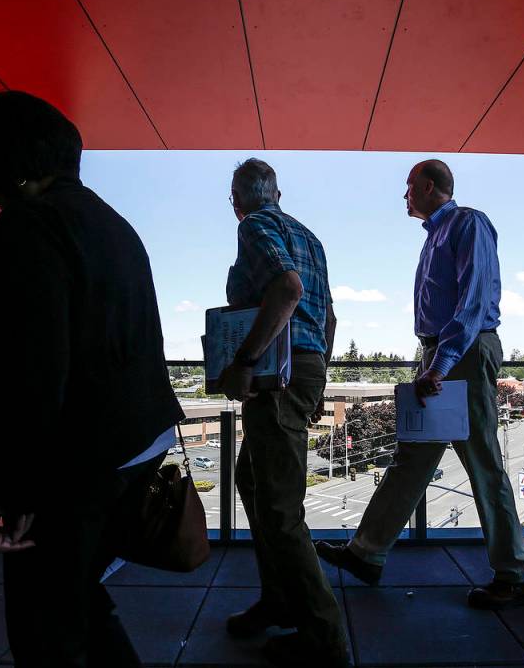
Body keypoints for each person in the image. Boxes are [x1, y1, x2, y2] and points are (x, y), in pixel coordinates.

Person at [0, 90, 184, 666]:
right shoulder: (115, 225)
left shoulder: (31, 223)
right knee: (79, 599)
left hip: (76, 460)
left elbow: (26, 370)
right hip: (135, 442)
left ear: (13, 166)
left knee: (46, 629)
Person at [316, 159, 524, 609]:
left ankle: (516, 574)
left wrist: (441, 363)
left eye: (409, 187)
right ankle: (366, 553)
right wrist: (433, 361)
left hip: (463, 352)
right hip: (441, 354)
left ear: (430, 186)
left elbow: (473, 301)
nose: (405, 196)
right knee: (412, 459)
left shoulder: (467, 222)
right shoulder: (435, 236)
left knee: (482, 462)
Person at [217, 159, 349, 667]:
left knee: (280, 508)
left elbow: (286, 288)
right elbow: (329, 315)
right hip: (305, 367)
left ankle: (323, 632)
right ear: (278, 191)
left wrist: (246, 360)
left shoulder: (254, 226)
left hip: (277, 373)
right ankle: (278, 598)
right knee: (251, 479)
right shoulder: (309, 236)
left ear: (237, 198)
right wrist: (319, 375)